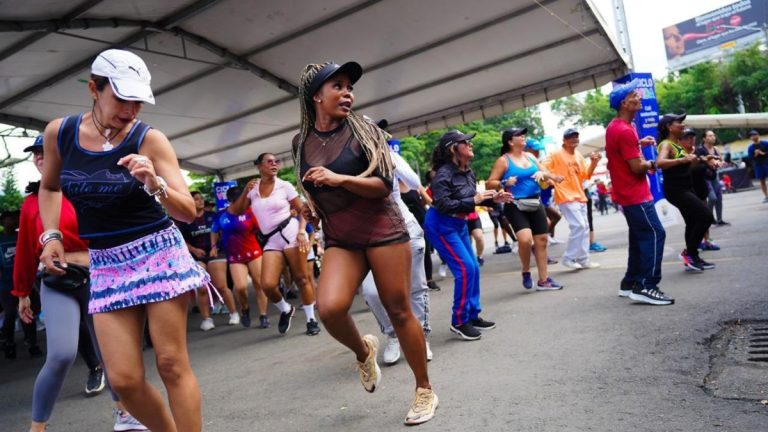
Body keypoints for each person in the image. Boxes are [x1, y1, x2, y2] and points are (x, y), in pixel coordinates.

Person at [38, 48, 209, 431]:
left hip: (156, 253)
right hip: (106, 262)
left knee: (170, 362)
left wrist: (155, 183)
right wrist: (50, 236)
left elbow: (186, 211)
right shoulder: (59, 133)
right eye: (122, 99)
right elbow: (49, 188)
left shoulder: (150, 139)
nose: (130, 110)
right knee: (125, 380)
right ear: (94, 89)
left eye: (137, 102)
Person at [293, 61, 437, 425]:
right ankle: (364, 350)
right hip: (341, 237)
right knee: (329, 308)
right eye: (337, 86)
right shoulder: (301, 143)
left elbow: (382, 186)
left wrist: (340, 179)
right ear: (316, 96)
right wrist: (312, 210)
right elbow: (312, 186)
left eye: (349, 87)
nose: (347, 93)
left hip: (382, 230)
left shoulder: (364, 131)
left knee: (398, 308)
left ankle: (424, 389)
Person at [15, 136, 147, 432]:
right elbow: (24, 250)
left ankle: (124, 413)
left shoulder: (84, 189)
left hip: (99, 275)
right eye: (35, 154)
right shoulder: (31, 202)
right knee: (61, 354)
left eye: (44, 151)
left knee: (109, 352)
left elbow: (114, 230)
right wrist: (22, 293)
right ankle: (37, 428)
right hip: (57, 281)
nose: (39, 157)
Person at [425, 128, 512, 342]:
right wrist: (474, 200)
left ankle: (473, 315)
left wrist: (494, 200)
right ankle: (459, 321)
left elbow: (474, 199)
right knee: (464, 269)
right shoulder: (443, 174)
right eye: (466, 142)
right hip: (441, 224)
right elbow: (443, 204)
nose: (470, 145)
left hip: (459, 222)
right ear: (453, 149)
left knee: (473, 267)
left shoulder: (468, 171)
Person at [230, 152, 320, 336]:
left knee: (302, 278)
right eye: (269, 161)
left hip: (291, 233)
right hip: (271, 238)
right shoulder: (253, 189)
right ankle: (286, 309)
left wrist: (302, 231)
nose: (274, 164)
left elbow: (303, 210)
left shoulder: (284, 186)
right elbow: (237, 210)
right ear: (259, 166)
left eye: (276, 161)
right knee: (268, 284)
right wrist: (245, 191)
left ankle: (311, 320)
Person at [606, 80, 673, 305]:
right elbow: (636, 167)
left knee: (638, 238)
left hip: (628, 193)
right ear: (625, 103)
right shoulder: (624, 130)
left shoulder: (618, 126)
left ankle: (630, 282)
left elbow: (625, 150)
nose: (640, 98)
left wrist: (638, 143)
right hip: (635, 194)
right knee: (655, 234)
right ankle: (646, 285)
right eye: (635, 95)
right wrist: (654, 164)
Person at [361, 149, 432, 365]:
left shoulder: (384, 153)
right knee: (372, 292)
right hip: (367, 234)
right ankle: (394, 335)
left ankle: (420, 337)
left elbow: (412, 181)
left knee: (414, 287)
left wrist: (388, 156)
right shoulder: (337, 160)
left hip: (403, 225)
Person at [487, 128, 563, 291]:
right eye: (519, 135)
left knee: (542, 241)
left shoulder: (530, 156)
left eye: (523, 135)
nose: (523, 137)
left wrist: (546, 176)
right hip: (515, 205)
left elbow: (545, 172)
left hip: (535, 202)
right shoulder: (504, 160)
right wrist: (504, 182)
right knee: (525, 240)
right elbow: (490, 182)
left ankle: (544, 280)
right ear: (510, 141)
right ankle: (526, 270)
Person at [656, 117, 715, 272]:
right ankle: (689, 254)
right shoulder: (666, 144)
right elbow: (660, 163)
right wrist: (683, 160)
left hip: (686, 188)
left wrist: (703, 160)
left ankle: (693, 257)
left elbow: (687, 165)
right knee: (706, 216)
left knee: (692, 221)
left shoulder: (677, 145)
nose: (682, 125)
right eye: (679, 123)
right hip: (676, 190)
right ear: (669, 127)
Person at [176, 191, 240, 331]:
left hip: (215, 252)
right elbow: (181, 241)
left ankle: (233, 312)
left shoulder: (212, 216)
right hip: (197, 256)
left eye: (201, 198)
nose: (201, 201)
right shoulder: (185, 221)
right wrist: (193, 250)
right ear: (190, 202)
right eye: (197, 199)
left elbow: (220, 232)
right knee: (202, 288)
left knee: (221, 286)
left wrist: (214, 247)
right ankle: (206, 319)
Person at [542, 128, 602, 269]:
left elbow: (585, 175)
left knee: (585, 227)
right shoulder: (556, 154)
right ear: (564, 140)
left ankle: (583, 259)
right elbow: (543, 167)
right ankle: (568, 258)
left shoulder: (578, 155)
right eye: (570, 137)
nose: (574, 139)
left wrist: (594, 162)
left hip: (579, 195)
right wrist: (552, 178)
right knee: (579, 226)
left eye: (576, 137)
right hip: (565, 195)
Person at [210, 186, 268, 328]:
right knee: (241, 288)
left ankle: (263, 316)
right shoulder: (221, 215)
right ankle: (245, 309)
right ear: (230, 201)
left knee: (259, 284)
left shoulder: (250, 212)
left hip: (254, 252)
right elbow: (214, 230)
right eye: (237, 200)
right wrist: (213, 246)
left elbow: (260, 229)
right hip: (235, 256)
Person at [0, 209, 42, 360]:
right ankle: (9, 342)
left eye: (15, 218)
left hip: (25, 282)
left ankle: (32, 343)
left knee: (28, 313)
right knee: (10, 313)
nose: (13, 221)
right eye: (9, 219)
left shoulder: (21, 237)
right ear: (3, 222)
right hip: (5, 285)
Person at [700, 130, 728, 225]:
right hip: (705, 178)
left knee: (719, 198)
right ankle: (709, 218)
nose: (713, 137)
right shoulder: (701, 149)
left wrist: (722, 163)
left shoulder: (715, 148)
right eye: (710, 136)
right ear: (704, 138)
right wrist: (715, 163)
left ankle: (720, 220)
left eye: (713, 136)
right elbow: (709, 162)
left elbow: (721, 160)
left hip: (714, 176)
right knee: (712, 198)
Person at [746, 130, 768, 203]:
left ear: (758, 135)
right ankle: (766, 196)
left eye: (754, 135)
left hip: (766, 163)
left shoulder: (765, 143)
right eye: (751, 136)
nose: (753, 137)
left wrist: (763, 153)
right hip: (758, 165)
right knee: (762, 181)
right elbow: (750, 158)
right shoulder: (750, 148)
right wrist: (755, 154)